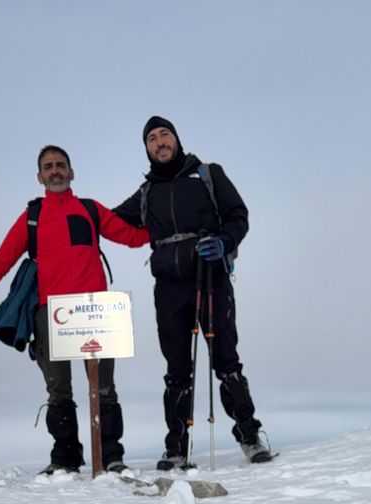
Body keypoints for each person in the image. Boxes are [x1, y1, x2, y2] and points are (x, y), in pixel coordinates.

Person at [0, 145, 150, 475]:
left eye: (60, 165)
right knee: (59, 389)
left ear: (72, 173)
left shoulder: (90, 209)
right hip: (51, 313)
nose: (55, 171)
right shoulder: (33, 216)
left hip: (95, 310)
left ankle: (112, 455)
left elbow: (131, 237)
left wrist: (169, 229)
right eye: (48, 166)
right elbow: (1, 260)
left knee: (104, 389)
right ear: (40, 176)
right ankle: (66, 458)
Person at [113, 116, 272, 470]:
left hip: (209, 276)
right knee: (176, 368)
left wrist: (224, 241)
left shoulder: (207, 174)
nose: (159, 142)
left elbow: (238, 214)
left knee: (226, 358)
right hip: (169, 286)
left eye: (164, 134)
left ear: (176, 139)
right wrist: (75, 218)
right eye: (151, 138)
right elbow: (109, 221)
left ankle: (249, 435)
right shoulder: (146, 193)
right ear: (147, 149)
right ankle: (176, 447)